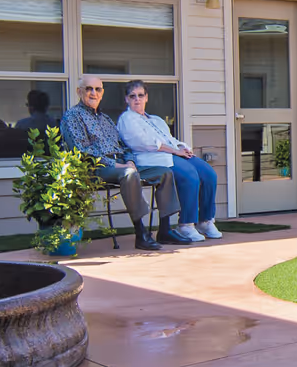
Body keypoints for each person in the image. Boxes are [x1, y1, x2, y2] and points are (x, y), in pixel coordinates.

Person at [58, 75, 181, 250]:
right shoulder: (73, 116)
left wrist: (129, 160)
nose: (94, 93)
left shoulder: (105, 119)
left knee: (164, 172)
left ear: (102, 93)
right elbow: (82, 151)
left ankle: (165, 229)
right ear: (79, 92)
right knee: (129, 174)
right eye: (88, 89)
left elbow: (124, 146)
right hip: (97, 169)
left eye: (98, 89)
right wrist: (119, 166)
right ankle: (141, 234)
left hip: (122, 166)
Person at [116, 80, 221, 242]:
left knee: (208, 174)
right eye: (132, 96)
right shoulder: (127, 119)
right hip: (150, 159)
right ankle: (186, 224)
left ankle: (205, 221)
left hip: (171, 154)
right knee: (189, 175)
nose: (137, 99)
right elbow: (144, 143)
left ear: (146, 97)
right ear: (126, 99)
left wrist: (182, 147)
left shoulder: (156, 120)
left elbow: (170, 138)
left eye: (140, 95)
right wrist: (175, 151)